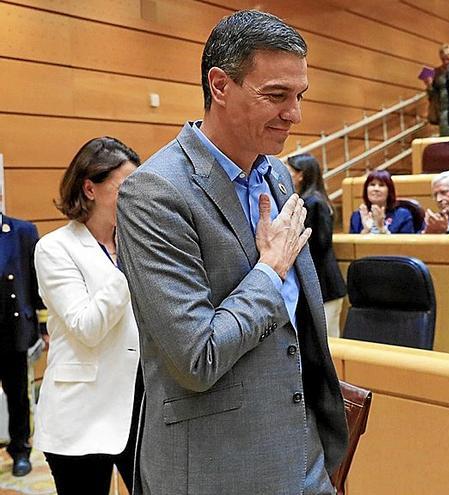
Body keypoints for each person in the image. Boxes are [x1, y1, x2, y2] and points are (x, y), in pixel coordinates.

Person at [115, 10, 348, 494]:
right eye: (277, 95)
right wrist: (268, 272)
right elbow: (195, 357)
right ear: (220, 86)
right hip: (216, 468)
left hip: (304, 457)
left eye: (299, 95)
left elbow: (297, 331)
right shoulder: (154, 193)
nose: (295, 114)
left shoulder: (278, 175)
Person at [33, 137, 142, 494]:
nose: (136, 196)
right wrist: (129, 262)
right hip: (80, 416)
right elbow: (87, 327)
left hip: (139, 406)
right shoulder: (54, 248)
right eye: (125, 186)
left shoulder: (137, 243)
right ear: (89, 188)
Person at [0, 213, 43, 478]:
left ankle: (20, 450)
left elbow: (37, 282)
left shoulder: (22, 231)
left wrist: (44, 327)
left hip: (12, 329)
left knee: (17, 394)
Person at [288, 154, 346, 339]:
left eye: (290, 170)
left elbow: (319, 245)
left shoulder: (313, 203)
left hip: (325, 285)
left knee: (329, 343)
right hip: (321, 286)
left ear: (301, 174)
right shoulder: (311, 199)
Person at [348, 170, 415, 234]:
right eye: (372, 184)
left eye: (381, 185)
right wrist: (366, 230)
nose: (376, 189)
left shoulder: (403, 215)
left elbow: (405, 245)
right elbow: (352, 245)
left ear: (389, 191)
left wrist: (382, 229)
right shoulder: (357, 216)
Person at [426, 44, 449, 136]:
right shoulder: (437, 72)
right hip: (443, 111)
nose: (446, 62)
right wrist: (429, 85)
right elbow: (432, 96)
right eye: (443, 59)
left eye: (448, 58)